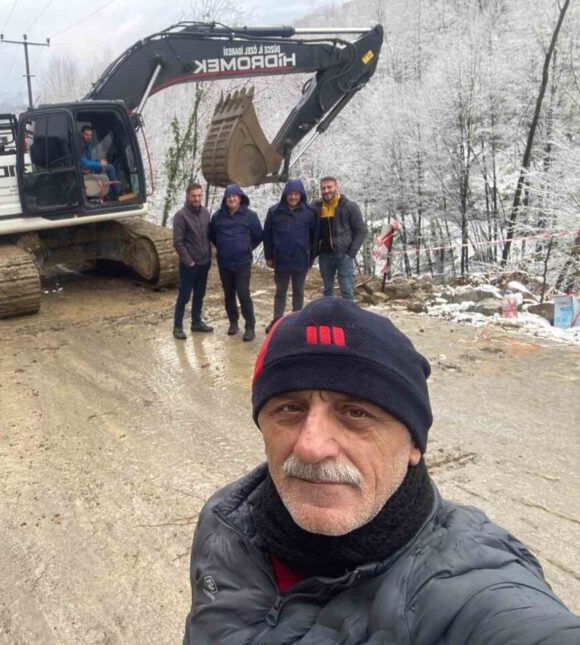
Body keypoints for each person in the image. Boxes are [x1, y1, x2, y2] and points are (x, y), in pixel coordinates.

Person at [183, 298, 580, 644]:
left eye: (355, 413)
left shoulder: (474, 589)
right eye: (289, 408)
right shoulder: (226, 523)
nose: (311, 446)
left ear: (413, 446)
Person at [208, 184, 263, 342]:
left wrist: (247, 247)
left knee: (243, 293)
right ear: (225, 199)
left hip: (243, 262)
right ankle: (233, 322)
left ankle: (250, 326)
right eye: (229, 197)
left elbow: (258, 235)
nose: (232, 199)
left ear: (240, 198)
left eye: (235, 196)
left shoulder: (250, 216)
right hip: (224, 263)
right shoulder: (218, 217)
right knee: (228, 294)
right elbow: (212, 235)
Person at [263, 178, 317, 333]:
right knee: (280, 292)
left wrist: (311, 257)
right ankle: (277, 320)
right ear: (285, 195)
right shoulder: (274, 212)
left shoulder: (309, 213)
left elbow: (314, 237)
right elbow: (267, 235)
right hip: (281, 260)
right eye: (290, 194)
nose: (293, 197)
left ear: (301, 195)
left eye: (296, 194)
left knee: (298, 291)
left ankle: (297, 321)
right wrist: (269, 256)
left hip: (301, 260)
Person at [312, 177, 365, 300]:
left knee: (347, 290)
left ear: (337, 187)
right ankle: (330, 317)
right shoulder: (316, 208)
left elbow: (360, 231)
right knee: (327, 291)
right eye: (323, 188)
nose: (326, 190)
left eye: (329, 187)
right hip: (324, 255)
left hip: (344, 255)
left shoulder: (349, 206)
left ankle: (348, 318)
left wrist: (350, 254)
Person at [172, 183, 213, 340]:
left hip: (204, 262)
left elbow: (209, 235)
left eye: (199, 195)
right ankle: (177, 326)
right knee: (184, 296)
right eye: (194, 196)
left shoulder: (205, 213)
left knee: (200, 294)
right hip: (189, 264)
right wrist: (188, 261)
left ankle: (196, 322)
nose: (197, 199)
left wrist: (211, 254)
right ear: (188, 196)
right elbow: (178, 241)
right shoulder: (181, 216)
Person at [79, 125, 121, 199]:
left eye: (90, 135)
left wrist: (98, 162)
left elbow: (87, 160)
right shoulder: (79, 146)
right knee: (110, 168)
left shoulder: (85, 145)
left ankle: (111, 194)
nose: (89, 137)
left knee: (107, 167)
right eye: (86, 134)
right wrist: (99, 164)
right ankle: (118, 194)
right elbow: (83, 163)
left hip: (87, 170)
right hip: (84, 173)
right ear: (81, 134)